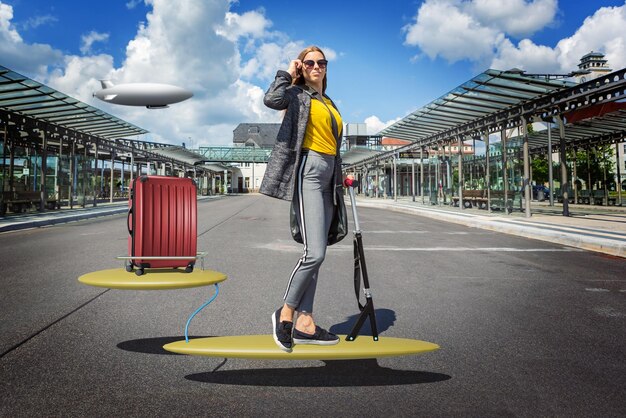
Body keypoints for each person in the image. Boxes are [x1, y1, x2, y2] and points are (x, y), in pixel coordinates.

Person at [260, 46, 342, 352]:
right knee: (314, 253)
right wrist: (288, 72)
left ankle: (306, 322)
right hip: (309, 172)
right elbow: (271, 99)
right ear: (302, 66)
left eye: (321, 62)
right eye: (310, 62)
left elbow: (333, 144)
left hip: (329, 179)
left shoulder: (329, 102)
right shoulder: (296, 95)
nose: (316, 66)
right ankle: (285, 314)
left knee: (319, 253)